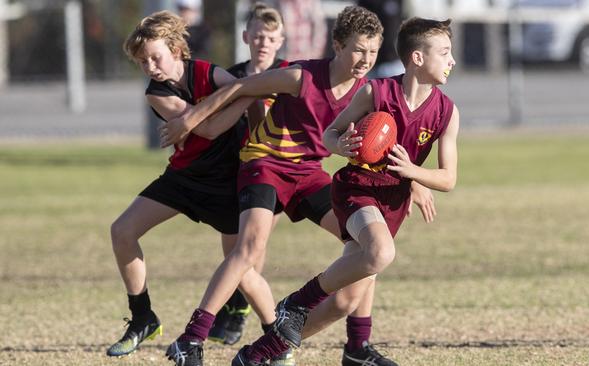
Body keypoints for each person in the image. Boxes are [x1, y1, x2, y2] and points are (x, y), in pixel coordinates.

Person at [160, 6, 403, 366]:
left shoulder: (366, 91)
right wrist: (192, 119)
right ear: (336, 45)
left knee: (366, 246)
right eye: (357, 49)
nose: (365, 59)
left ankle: (357, 346)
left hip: (308, 173)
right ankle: (191, 339)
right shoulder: (301, 76)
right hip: (266, 164)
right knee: (248, 249)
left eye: (372, 51)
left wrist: (415, 181)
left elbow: (390, 141)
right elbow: (242, 87)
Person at [233, 17, 459, 365]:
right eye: (444, 53)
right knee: (381, 253)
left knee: (344, 301)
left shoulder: (447, 111)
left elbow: (448, 179)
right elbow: (330, 135)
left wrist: (413, 175)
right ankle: (295, 303)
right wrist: (345, 147)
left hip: (392, 201)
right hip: (357, 190)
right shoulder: (377, 92)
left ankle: (261, 354)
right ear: (417, 58)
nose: (452, 61)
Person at [107, 10, 270, 359]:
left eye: (156, 57)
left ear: (176, 49)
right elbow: (209, 129)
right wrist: (240, 96)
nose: (151, 66)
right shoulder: (157, 93)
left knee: (241, 269)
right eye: (142, 61)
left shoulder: (208, 72)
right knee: (122, 231)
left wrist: (257, 139)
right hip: (185, 177)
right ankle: (142, 317)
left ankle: (276, 332)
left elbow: (253, 100)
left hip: (228, 180)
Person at [206, 5, 293, 366]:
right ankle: (244, 304)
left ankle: (250, 315)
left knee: (251, 247)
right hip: (236, 172)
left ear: (281, 41)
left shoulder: (289, 74)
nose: (263, 43)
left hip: (275, 172)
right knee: (235, 253)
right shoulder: (232, 76)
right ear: (246, 37)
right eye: (257, 36)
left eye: (271, 38)